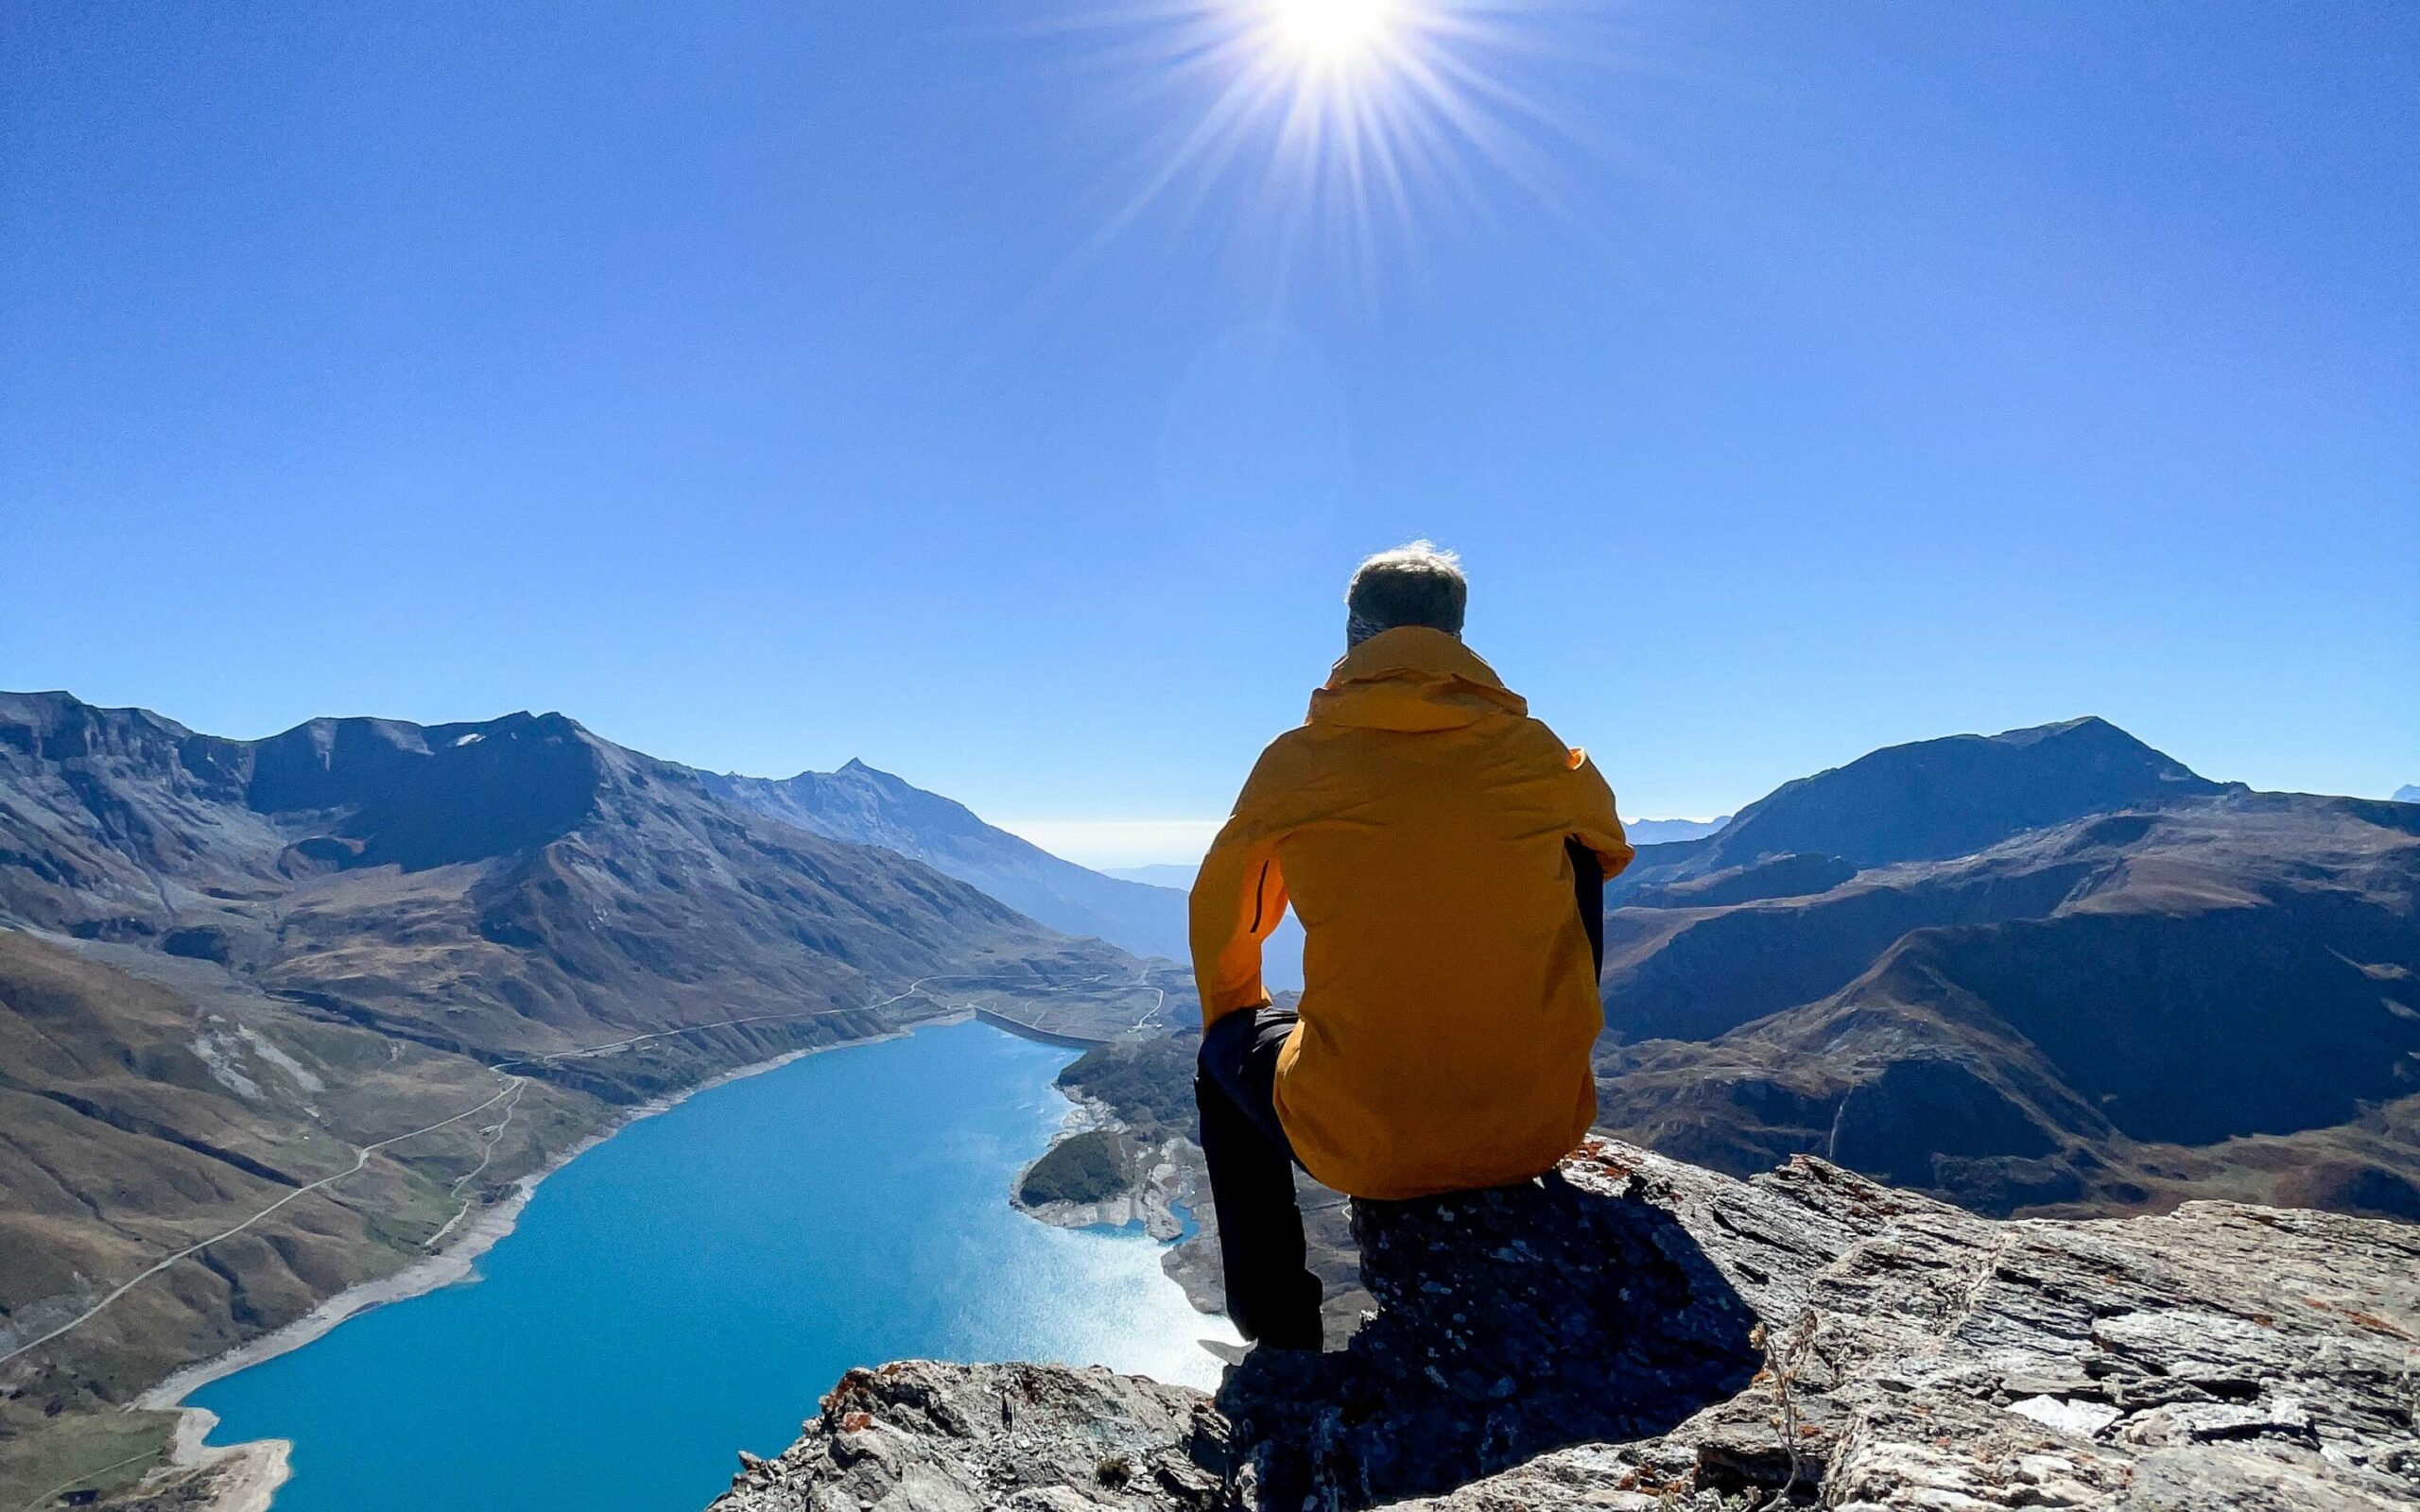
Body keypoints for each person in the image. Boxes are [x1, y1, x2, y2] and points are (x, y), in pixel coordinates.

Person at [1189, 541, 1634, 1351]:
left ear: (1357, 633)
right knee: (1580, 854)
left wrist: (1236, 1013)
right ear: (1458, 638)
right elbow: (1608, 849)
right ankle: (1541, 1068)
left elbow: (1226, 913)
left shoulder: (1299, 763)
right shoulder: (1543, 756)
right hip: (1540, 1126)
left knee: (1221, 1063)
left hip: (1365, 1140)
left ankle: (1280, 1335)